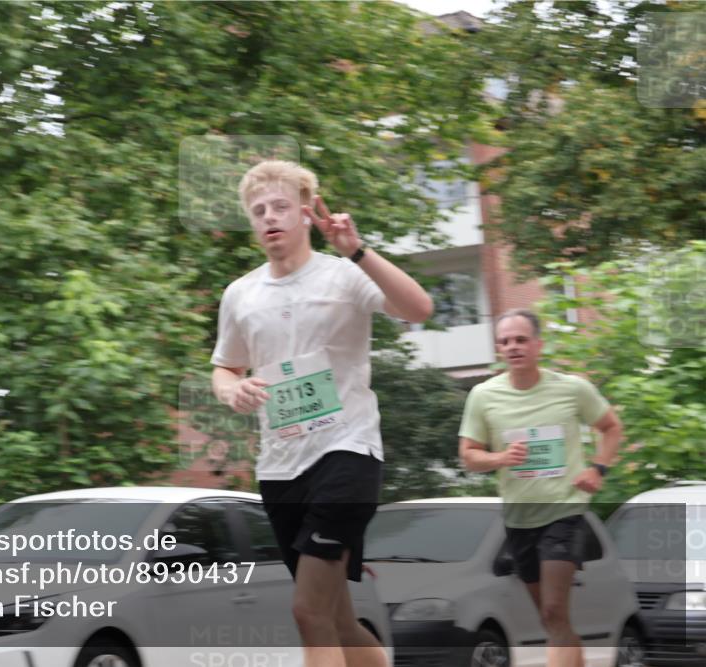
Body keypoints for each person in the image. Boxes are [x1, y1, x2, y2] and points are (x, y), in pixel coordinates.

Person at [211, 160, 432, 667]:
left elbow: (419, 308)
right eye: (259, 209)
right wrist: (232, 391)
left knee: (307, 612)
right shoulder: (241, 294)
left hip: (347, 452)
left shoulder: (344, 275)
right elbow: (224, 368)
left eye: (282, 206)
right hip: (280, 465)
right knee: (336, 620)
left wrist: (356, 250)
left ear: (307, 214)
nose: (270, 216)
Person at [458, 308, 624, 667]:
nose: (513, 347)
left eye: (520, 340)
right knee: (551, 618)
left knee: (552, 608)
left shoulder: (572, 388)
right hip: (518, 518)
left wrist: (598, 469)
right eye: (505, 342)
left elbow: (611, 428)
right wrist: (500, 458)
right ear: (498, 349)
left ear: (538, 345)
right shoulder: (484, 396)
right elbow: (469, 456)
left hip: (563, 511)